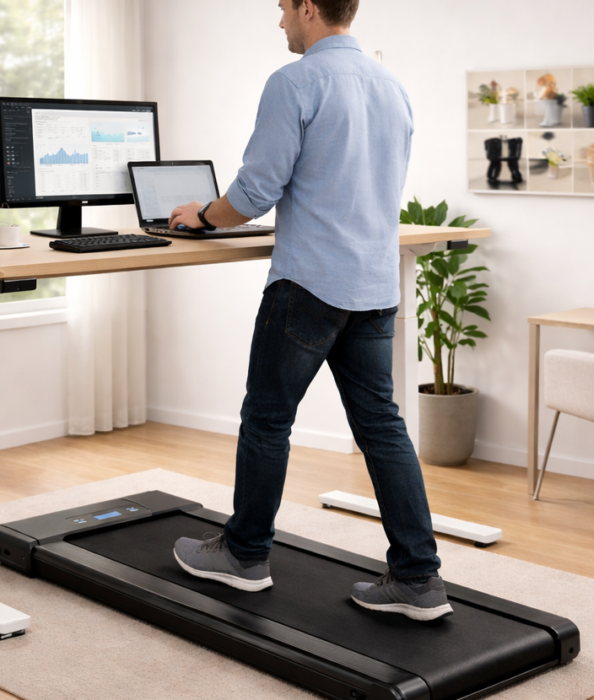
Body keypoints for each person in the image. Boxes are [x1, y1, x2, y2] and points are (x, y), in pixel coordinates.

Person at [167, 0, 451, 622]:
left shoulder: (295, 81)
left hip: (310, 283)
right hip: (373, 284)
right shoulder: (391, 85)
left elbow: (256, 189)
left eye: (282, 9)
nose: (279, 23)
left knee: (267, 419)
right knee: (382, 426)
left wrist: (201, 216)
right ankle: (418, 578)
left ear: (308, 9)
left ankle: (244, 556)